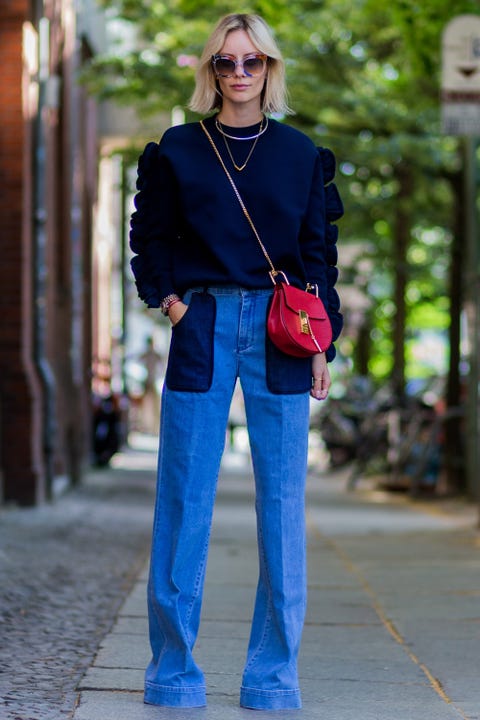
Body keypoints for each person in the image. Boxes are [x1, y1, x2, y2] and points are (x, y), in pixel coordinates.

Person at [129, 12, 343, 711]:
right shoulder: (179, 150)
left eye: (252, 62)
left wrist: (323, 345)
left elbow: (317, 257)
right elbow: (149, 234)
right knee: (184, 498)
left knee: (282, 507)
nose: (240, 73)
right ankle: (172, 673)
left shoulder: (301, 153)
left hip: (283, 332)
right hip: (205, 319)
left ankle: (272, 678)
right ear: (210, 71)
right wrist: (171, 301)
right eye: (226, 62)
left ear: (269, 69)